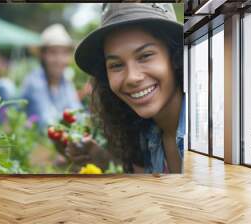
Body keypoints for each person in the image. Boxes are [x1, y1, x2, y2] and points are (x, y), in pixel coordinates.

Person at [71, 3, 185, 174]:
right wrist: (103, 160)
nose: (132, 77)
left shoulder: (213, 135)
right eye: (116, 65)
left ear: (175, 56)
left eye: (145, 56)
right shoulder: (143, 133)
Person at [21, 24, 82, 130]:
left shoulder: (65, 82)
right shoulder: (35, 82)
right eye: (53, 53)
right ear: (43, 55)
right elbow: (46, 122)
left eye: (64, 53)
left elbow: (78, 115)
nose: (59, 59)